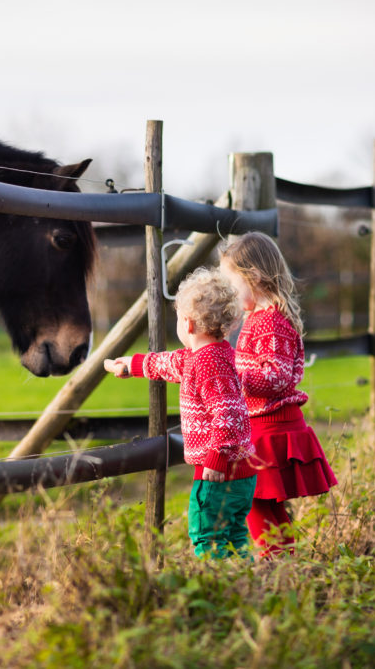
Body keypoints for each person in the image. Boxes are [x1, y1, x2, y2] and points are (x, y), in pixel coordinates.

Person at [104, 267, 255, 559]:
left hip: (220, 471)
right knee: (235, 535)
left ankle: (219, 592)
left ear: (186, 324)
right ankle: (249, 585)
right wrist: (131, 365)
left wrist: (217, 457)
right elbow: (168, 363)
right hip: (241, 473)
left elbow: (228, 414)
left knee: (207, 535)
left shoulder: (208, 364)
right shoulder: (210, 355)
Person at [218, 232, 338, 558]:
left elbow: (275, 376)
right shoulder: (257, 318)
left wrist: (232, 374)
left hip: (272, 428)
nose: (229, 294)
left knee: (253, 501)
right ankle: (282, 564)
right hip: (261, 426)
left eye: (232, 285)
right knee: (259, 504)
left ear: (254, 277)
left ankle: (277, 566)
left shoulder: (270, 322)